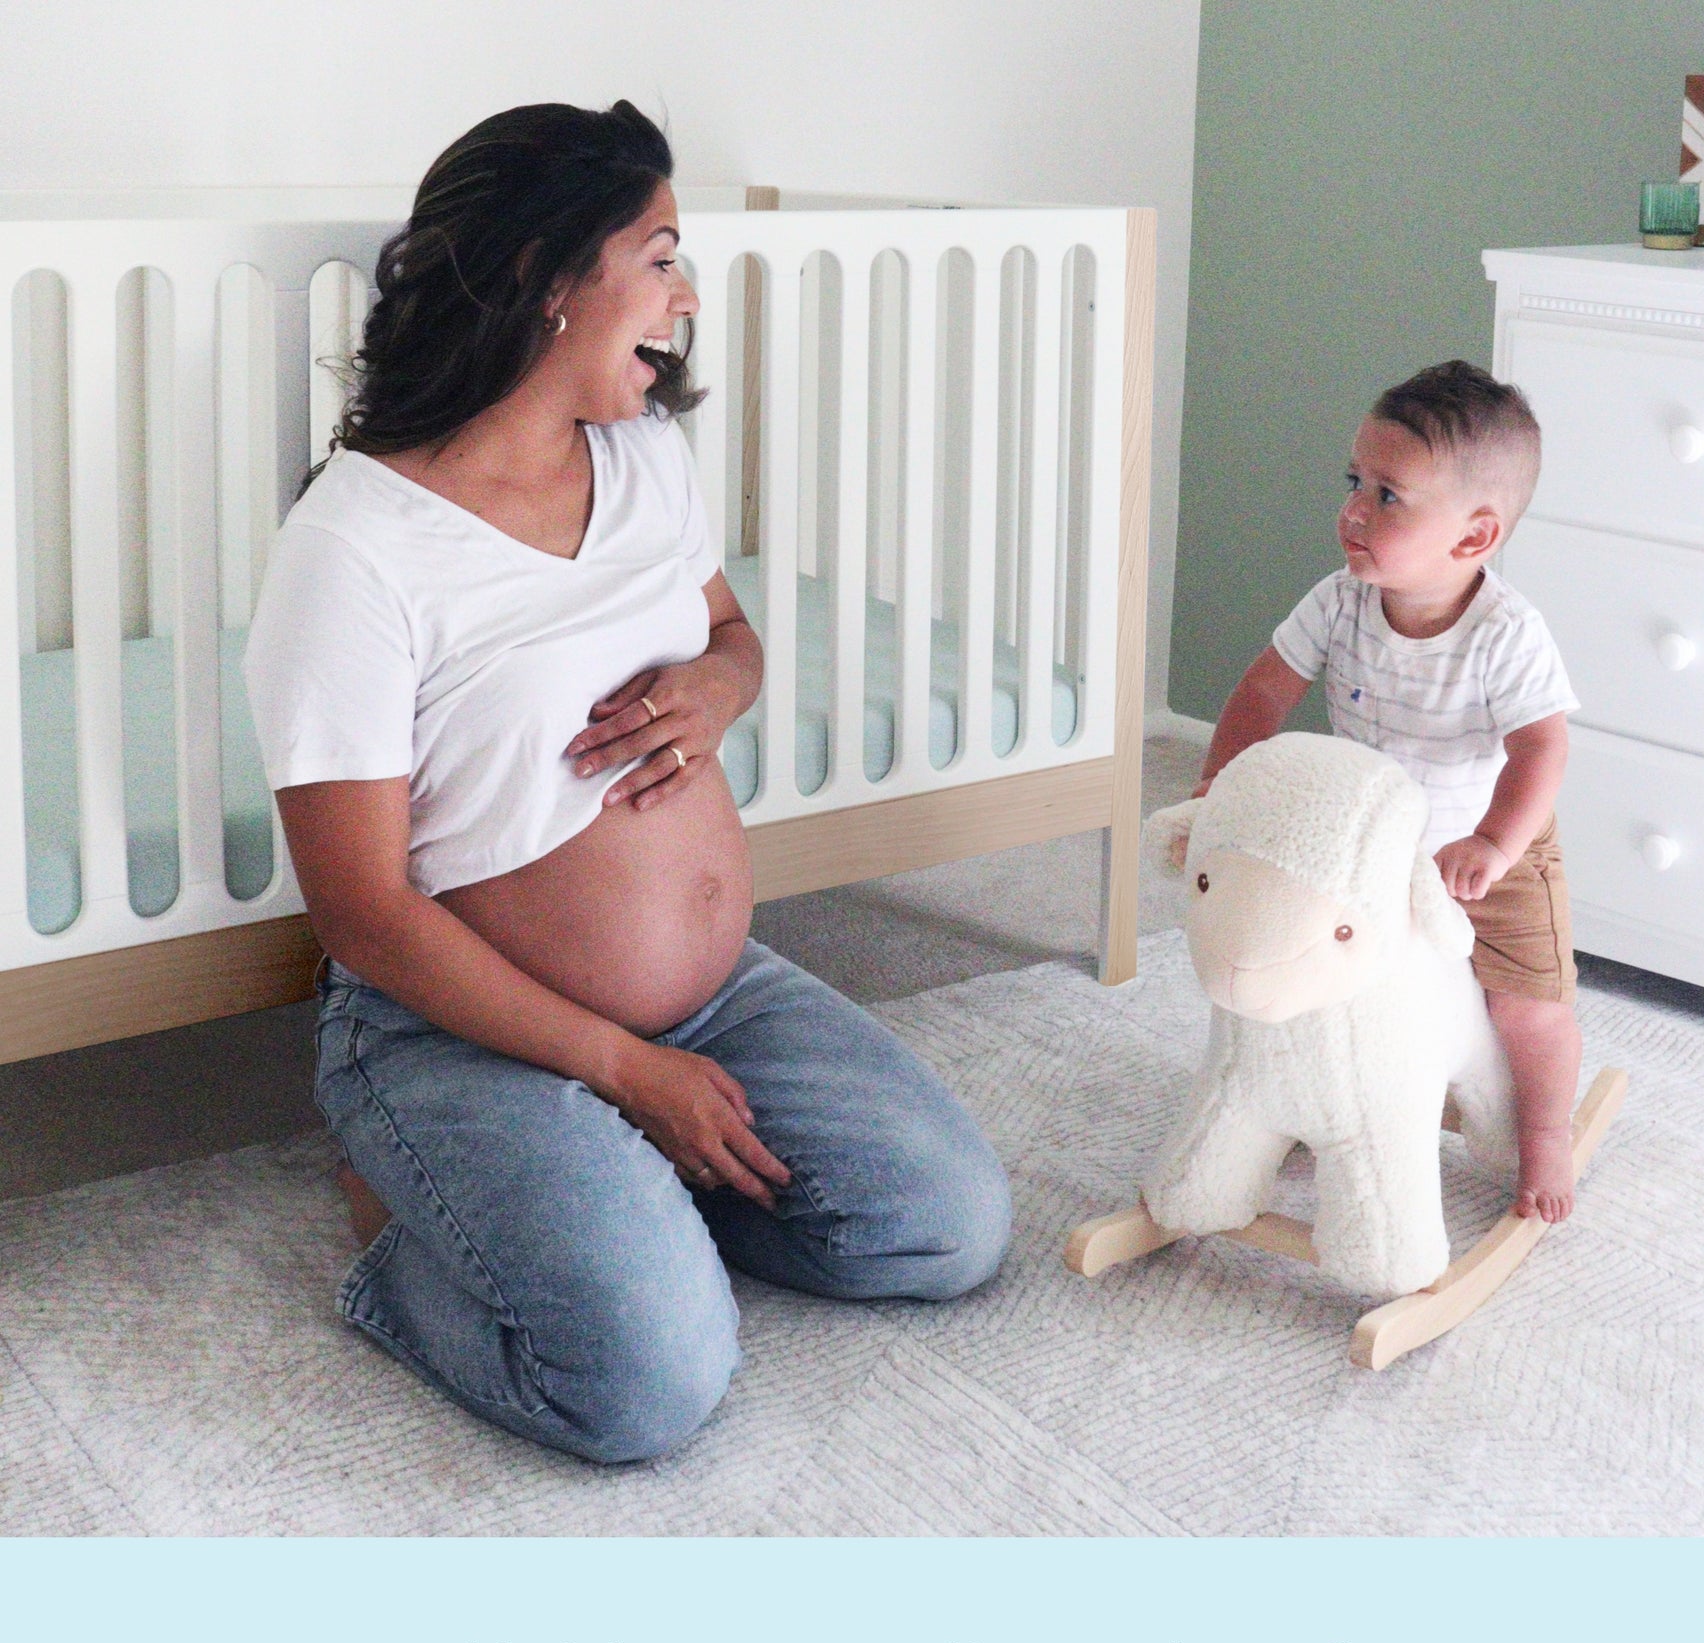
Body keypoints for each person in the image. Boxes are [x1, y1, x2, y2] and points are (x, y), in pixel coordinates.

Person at [243, 102, 1011, 1465]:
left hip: (713, 998)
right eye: (659, 258)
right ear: (548, 279)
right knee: (645, 1382)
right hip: (456, 1030)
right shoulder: (355, 548)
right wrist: (622, 1070)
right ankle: (394, 1219)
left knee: (947, 1222)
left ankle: (613, 1191)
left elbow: (731, 639)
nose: (686, 297)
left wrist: (718, 688)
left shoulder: (646, 458)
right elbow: (360, 913)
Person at [1193, 361, 1581, 1221]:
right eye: (1354, 482)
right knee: (1335, 969)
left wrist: (1495, 845)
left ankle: (1546, 1138)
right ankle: (1312, 1092)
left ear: (1474, 538)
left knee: (1526, 1006)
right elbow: (1262, 692)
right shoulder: (1339, 602)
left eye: (1389, 496)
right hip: (1368, 841)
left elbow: (1540, 748)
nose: (1355, 511)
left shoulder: (1504, 633)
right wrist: (1222, 786)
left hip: (1494, 844)